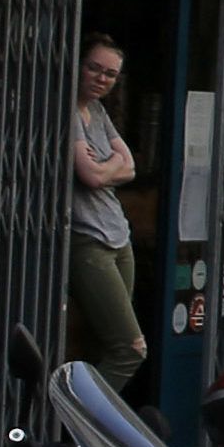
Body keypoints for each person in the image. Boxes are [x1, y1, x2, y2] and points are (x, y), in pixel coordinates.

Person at [68, 35, 149, 390]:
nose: (101, 78)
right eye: (94, 68)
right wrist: (108, 169)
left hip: (119, 237)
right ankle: (82, 424)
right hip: (89, 241)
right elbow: (90, 175)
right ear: (78, 65)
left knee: (104, 342)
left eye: (110, 74)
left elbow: (131, 166)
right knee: (131, 348)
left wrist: (107, 169)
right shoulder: (70, 112)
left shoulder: (98, 112)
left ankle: (87, 429)